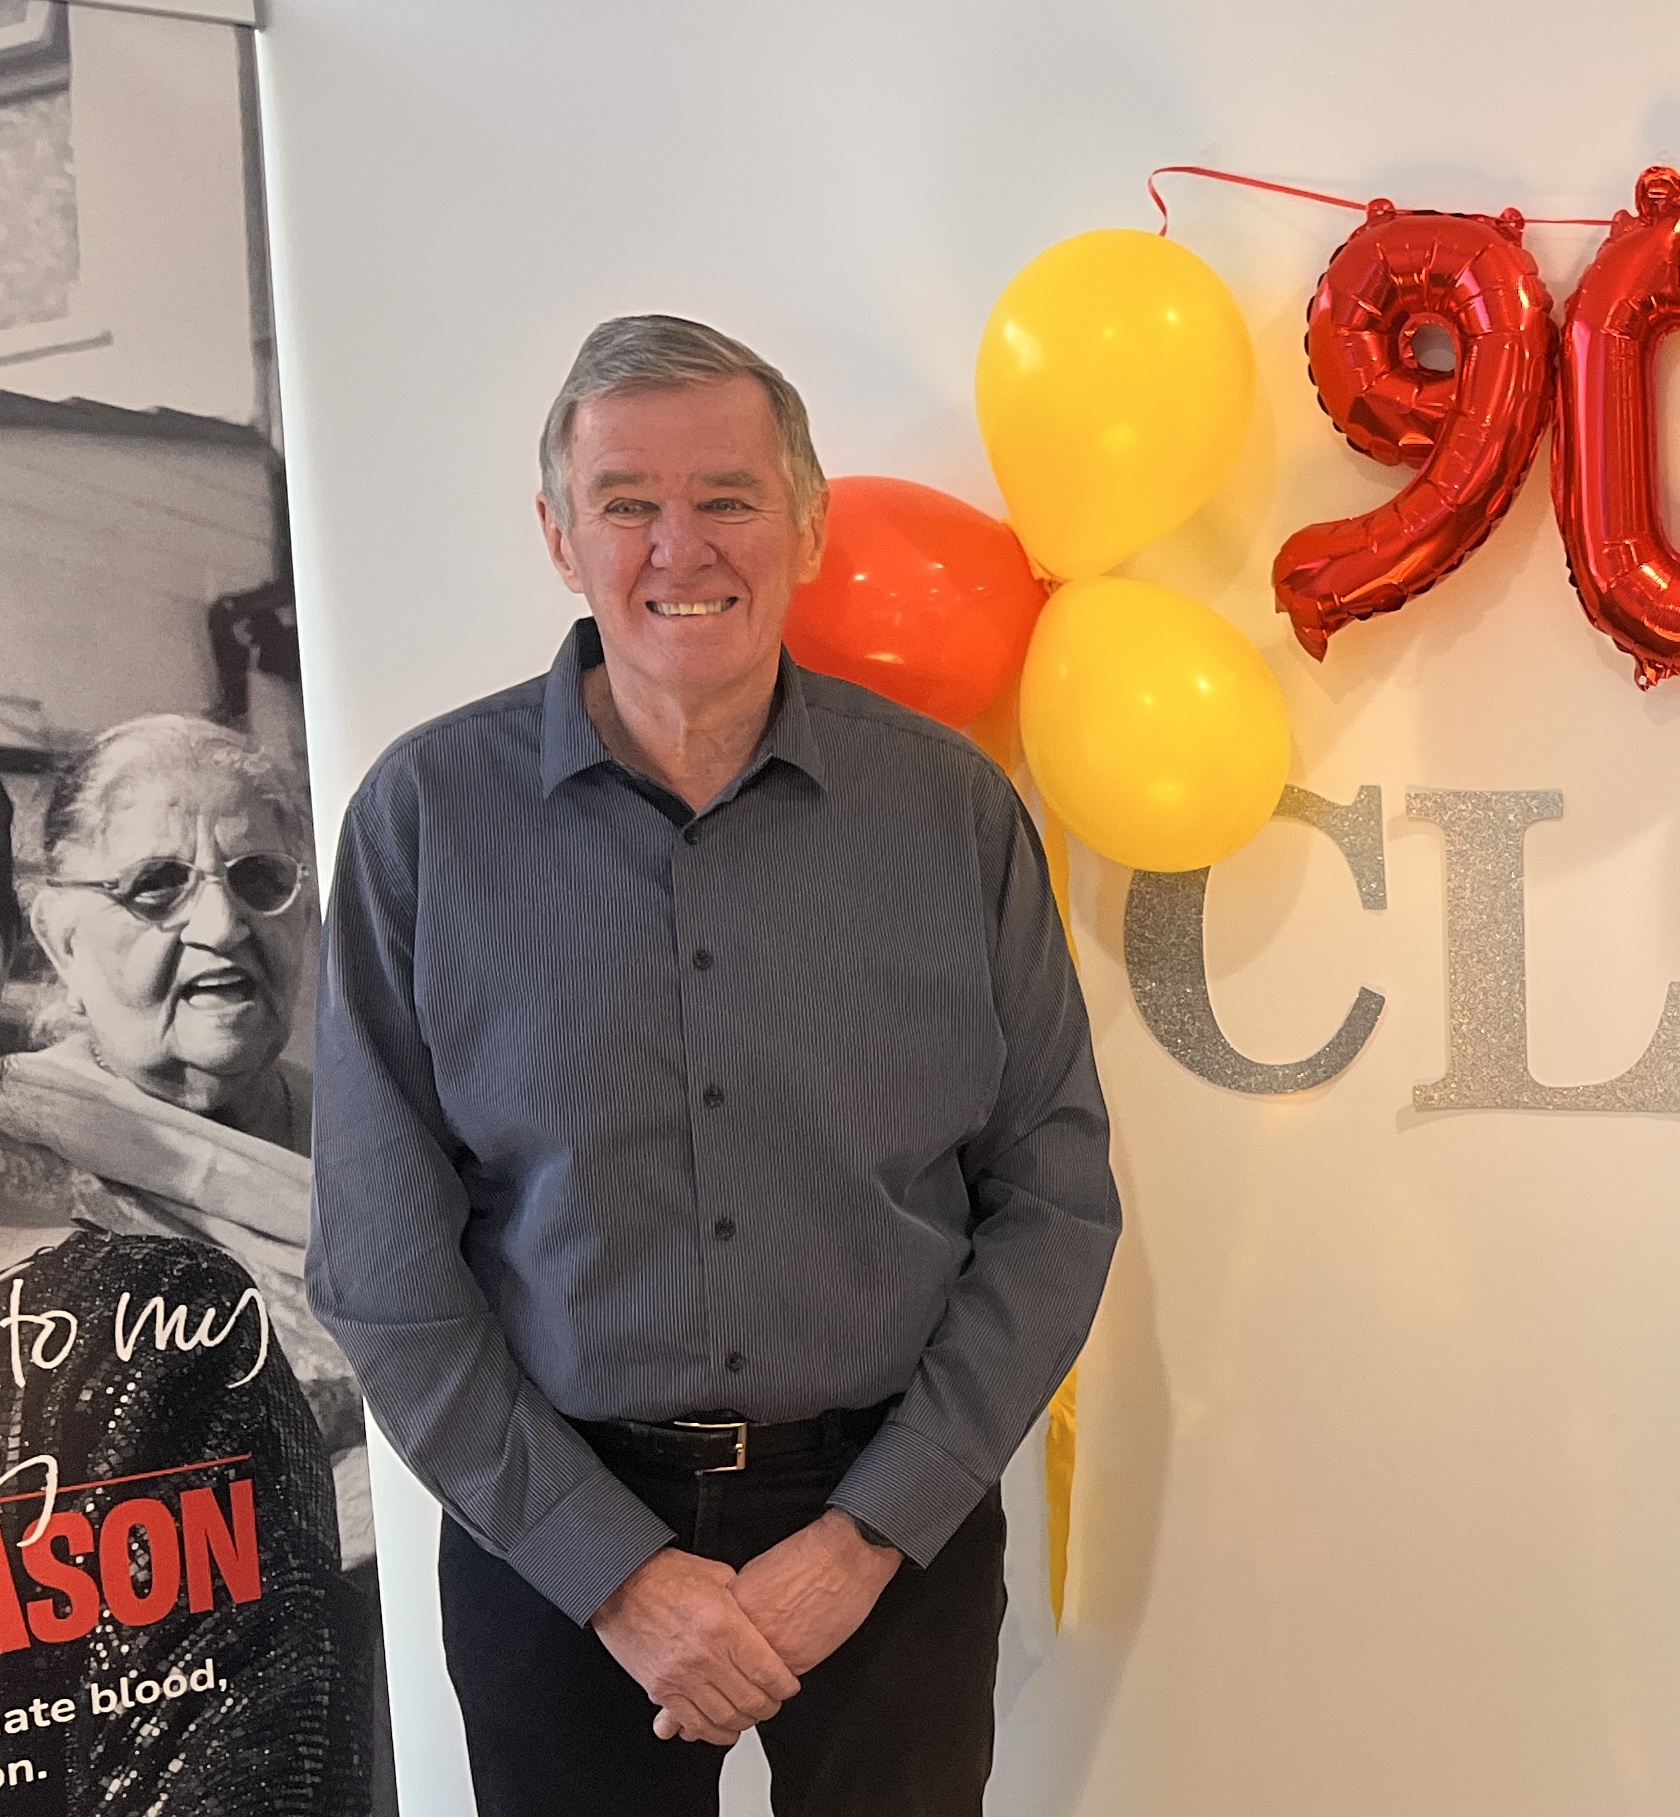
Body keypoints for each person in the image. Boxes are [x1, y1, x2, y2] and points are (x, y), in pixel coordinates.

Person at [310, 314, 1118, 1816]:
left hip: (888, 1536)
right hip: (551, 1534)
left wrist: (870, 1531)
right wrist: (605, 1571)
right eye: (625, 501)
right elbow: (377, 1260)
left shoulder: (949, 814)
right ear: (559, 537)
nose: (679, 545)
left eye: (727, 496)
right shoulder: (423, 822)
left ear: (805, 524)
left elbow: (1055, 1197)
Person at [0, 722, 377, 1814]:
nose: (220, 922)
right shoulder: (25, 1161)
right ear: (57, 930)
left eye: (259, 878)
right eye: (156, 883)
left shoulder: (392, 1132)